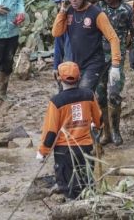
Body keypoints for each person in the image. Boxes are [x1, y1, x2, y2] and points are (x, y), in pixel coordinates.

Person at [36, 62, 102, 199]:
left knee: (68, 188)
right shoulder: (89, 95)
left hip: (64, 151)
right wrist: (96, 127)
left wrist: (43, 152)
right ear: (79, 77)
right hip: (85, 148)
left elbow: (50, 132)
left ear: (59, 78)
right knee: (86, 184)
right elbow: (99, 119)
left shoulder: (56, 101)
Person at [51, 0, 122, 93]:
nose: (73, 0)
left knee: (84, 92)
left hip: (93, 63)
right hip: (75, 62)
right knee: (65, 93)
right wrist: (62, 11)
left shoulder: (96, 14)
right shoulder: (68, 11)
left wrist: (115, 65)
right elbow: (56, 33)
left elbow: (113, 38)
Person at [97, 0, 134, 146]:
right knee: (99, 96)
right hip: (99, 58)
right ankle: (105, 131)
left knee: (114, 94)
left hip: (117, 58)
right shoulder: (99, 8)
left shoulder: (126, 10)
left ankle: (116, 130)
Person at [49, 0, 68, 92]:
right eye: (57, 3)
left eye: (60, 3)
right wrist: (56, 66)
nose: (58, 6)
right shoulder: (60, 20)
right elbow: (58, 45)